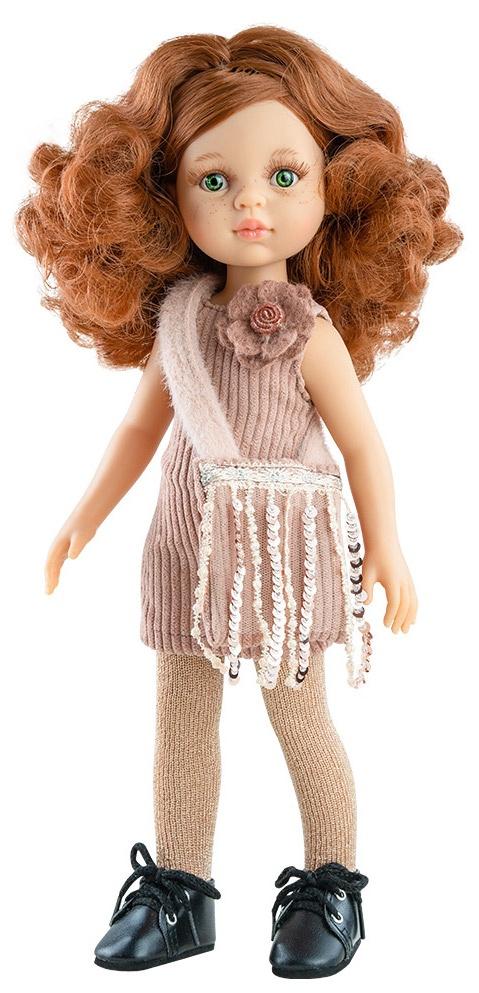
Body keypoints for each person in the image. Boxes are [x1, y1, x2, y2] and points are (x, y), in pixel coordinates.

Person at [15, 25, 462, 979]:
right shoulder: (180, 319)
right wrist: (81, 516)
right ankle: (179, 889)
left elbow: (361, 442)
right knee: (180, 716)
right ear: (164, 197)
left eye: (283, 176)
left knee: (298, 714)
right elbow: (139, 430)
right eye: (213, 180)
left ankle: (330, 882)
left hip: (285, 554)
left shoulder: (312, 332)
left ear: (334, 192)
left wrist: (386, 546)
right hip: (185, 544)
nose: (250, 201)